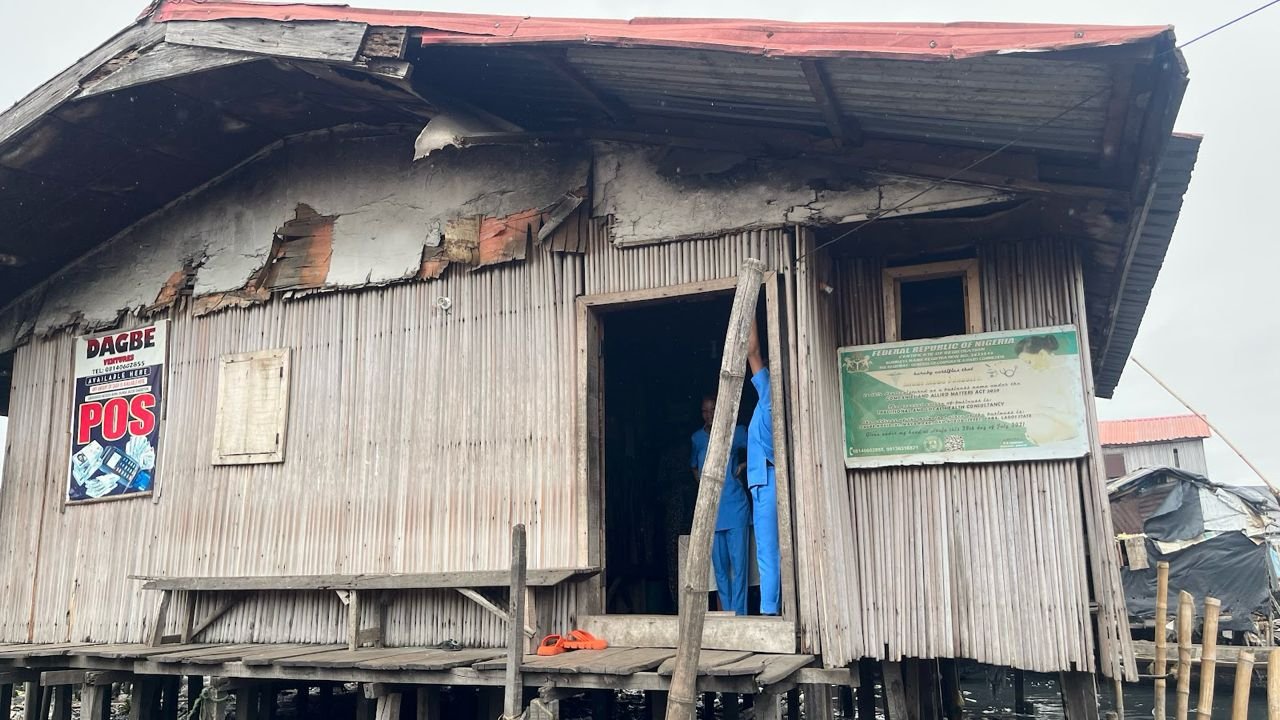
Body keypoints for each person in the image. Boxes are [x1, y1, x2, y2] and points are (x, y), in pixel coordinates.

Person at [690, 395, 751, 616]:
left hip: (735, 508)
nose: (709, 415)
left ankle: (740, 617)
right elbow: (694, 466)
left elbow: (760, 445)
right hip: (713, 513)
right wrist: (703, 485)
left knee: (739, 568)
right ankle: (727, 616)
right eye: (705, 411)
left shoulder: (735, 432)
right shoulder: (697, 439)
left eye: (713, 409)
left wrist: (743, 465)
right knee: (721, 570)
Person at [746, 319, 781, 615]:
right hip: (769, 476)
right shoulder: (772, 399)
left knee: (768, 552)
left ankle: (770, 613)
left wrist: (751, 304)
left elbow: (751, 350)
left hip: (768, 481)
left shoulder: (770, 392)